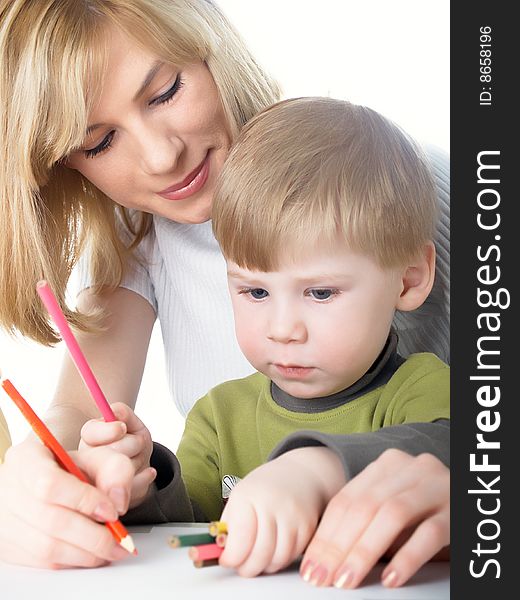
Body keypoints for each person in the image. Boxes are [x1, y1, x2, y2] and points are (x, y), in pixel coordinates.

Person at [0, 0, 450, 573]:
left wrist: (324, 467)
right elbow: (81, 414)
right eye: (99, 142)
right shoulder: (136, 233)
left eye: (165, 92)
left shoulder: (393, 182)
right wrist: (63, 474)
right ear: (66, 165)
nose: (163, 156)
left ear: (211, 47)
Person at [88, 97, 450, 588]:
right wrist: (138, 484)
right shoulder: (218, 416)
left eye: (320, 292)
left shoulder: (423, 389)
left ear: (408, 281)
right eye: (255, 291)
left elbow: (461, 454)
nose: (283, 329)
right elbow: (185, 537)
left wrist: (317, 468)